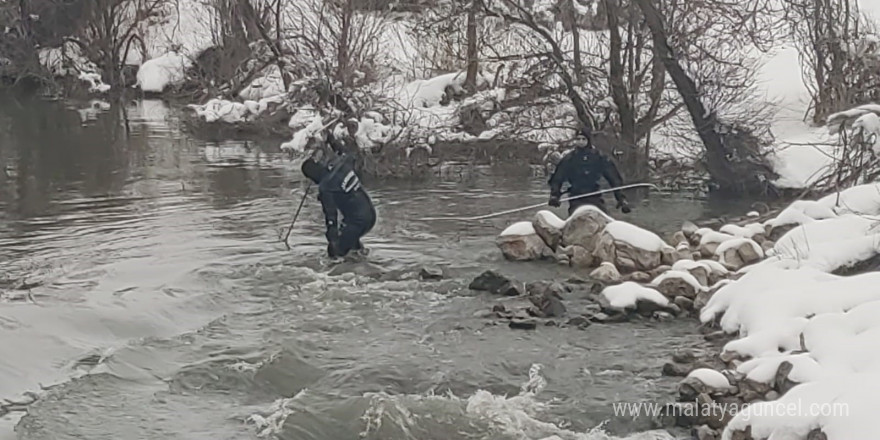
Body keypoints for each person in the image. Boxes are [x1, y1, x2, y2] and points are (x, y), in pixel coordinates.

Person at [301, 149, 376, 260]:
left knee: (337, 253)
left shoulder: (326, 187)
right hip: (371, 215)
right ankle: (363, 261)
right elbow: (345, 153)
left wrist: (332, 242)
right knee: (351, 243)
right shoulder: (341, 165)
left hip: (357, 222)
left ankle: (349, 273)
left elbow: (331, 217)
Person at [548, 128, 632, 216]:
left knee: (604, 218)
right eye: (578, 139)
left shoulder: (599, 157)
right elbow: (557, 178)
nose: (581, 141)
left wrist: (621, 199)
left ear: (588, 140)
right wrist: (555, 195)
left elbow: (614, 178)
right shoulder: (569, 158)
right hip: (576, 197)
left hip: (594, 195)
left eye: (583, 139)